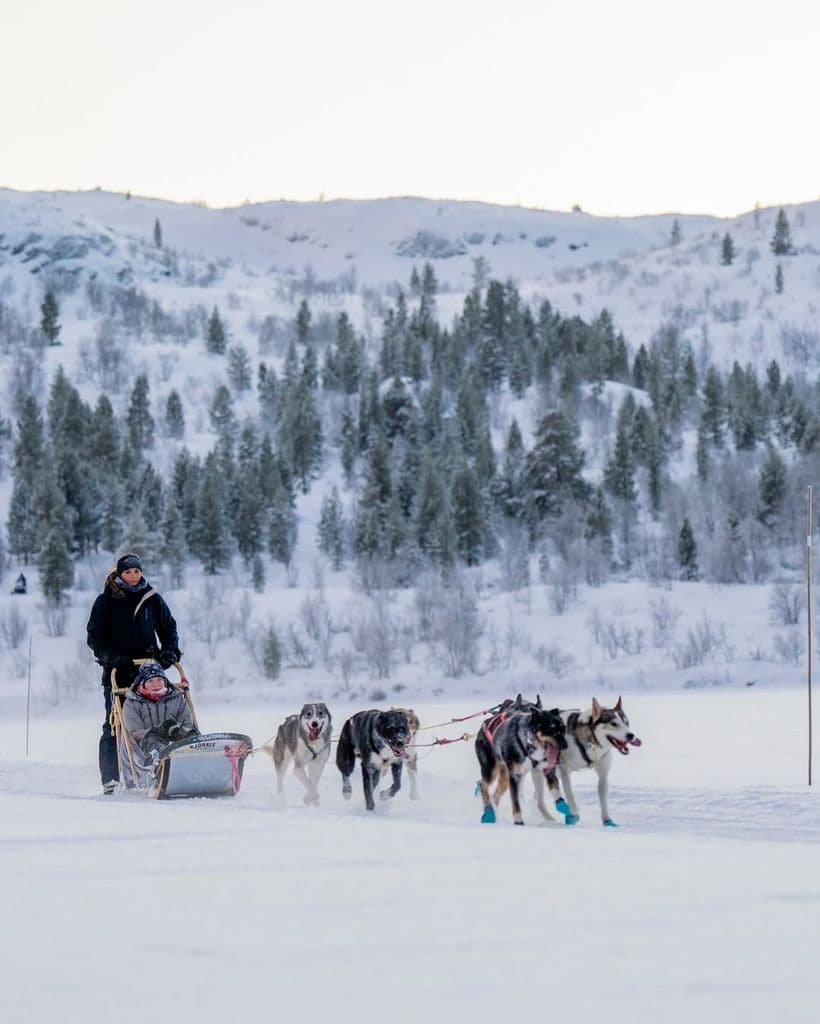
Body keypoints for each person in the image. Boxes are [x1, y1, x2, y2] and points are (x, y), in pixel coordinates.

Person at [87, 553, 182, 794]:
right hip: (118, 671)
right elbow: (95, 638)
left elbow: (168, 627)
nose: (132, 576)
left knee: (162, 719)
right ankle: (111, 779)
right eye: (128, 572)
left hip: (149, 670)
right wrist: (110, 657)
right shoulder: (105, 601)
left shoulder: (151, 598)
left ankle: (166, 768)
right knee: (115, 723)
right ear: (119, 574)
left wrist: (170, 652)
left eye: (136, 571)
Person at [120, 661, 197, 786]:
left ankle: (199, 764)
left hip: (174, 738)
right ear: (142, 683)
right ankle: (159, 774)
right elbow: (135, 731)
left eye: (159, 680)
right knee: (151, 739)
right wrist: (158, 731)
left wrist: (178, 732)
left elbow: (187, 723)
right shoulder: (132, 703)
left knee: (192, 734)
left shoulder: (176, 697)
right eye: (150, 681)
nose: (156, 684)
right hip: (146, 744)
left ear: (165, 681)